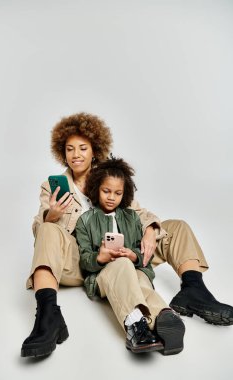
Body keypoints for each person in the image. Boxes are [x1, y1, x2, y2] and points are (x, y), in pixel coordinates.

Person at [21, 112, 233, 358]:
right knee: (47, 229)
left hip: (124, 249)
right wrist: (52, 216)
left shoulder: (109, 178)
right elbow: (40, 232)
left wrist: (152, 230)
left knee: (176, 227)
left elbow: (139, 212)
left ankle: (194, 290)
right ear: (62, 152)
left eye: (82, 148)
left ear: (94, 150)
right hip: (82, 259)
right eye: (70, 149)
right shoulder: (52, 186)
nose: (76, 154)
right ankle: (48, 315)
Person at [75, 156, 185, 354]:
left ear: (124, 194)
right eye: (106, 191)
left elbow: (144, 254)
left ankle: (164, 316)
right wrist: (100, 257)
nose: (111, 197)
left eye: (117, 193)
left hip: (134, 271)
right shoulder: (85, 220)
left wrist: (133, 255)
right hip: (102, 277)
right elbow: (84, 259)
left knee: (141, 278)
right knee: (123, 265)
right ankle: (134, 324)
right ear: (96, 189)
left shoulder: (132, 217)